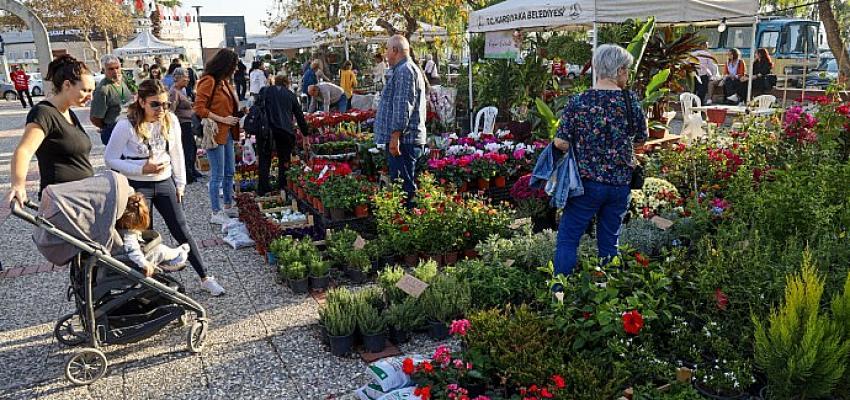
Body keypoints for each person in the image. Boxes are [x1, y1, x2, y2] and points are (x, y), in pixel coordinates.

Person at [105, 79, 225, 296]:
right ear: (141, 102)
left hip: (164, 181)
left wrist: (180, 183)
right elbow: (111, 158)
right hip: (138, 186)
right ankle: (149, 285)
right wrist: (142, 168)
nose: (161, 110)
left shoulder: (170, 120)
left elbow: (177, 152)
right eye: (155, 105)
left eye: (165, 104)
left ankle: (205, 277)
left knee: (181, 229)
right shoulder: (126, 125)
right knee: (140, 236)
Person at [552, 44, 647, 277]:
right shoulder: (629, 101)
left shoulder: (579, 101)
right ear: (620, 70)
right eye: (627, 70)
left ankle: (559, 294)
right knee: (609, 242)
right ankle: (608, 295)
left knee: (568, 239)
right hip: (619, 184)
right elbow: (641, 141)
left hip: (586, 185)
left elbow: (561, 142)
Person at [4, 55, 95, 207]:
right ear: (67, 85)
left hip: (80, 199)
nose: (90, 97)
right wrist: (18, 185)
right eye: (85, 90)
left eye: (92, 91)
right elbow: (24, 151)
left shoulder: (68, 112)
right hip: (61, 201)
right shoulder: (44, 113)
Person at [374, 35, 428, 205]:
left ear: (395, 51)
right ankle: (406, 222)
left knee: (404, 188)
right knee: (402, 185)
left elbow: (402, 106)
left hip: (405, 141)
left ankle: (409, 224)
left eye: (387, 50)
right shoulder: (403, 69)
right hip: (404, 140)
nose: (386, 54)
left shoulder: (405, 71)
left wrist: (395, 136)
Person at [193, 49, 242, 226]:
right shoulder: (209, 81)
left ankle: (228, 205)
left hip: (227, 131)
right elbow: (199, 108)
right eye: (234, 66)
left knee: (230, 172)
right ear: (226, 65)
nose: (236, 69)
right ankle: (216, 211)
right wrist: (223, 118)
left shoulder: (224, 82)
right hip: (214, 133)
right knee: (217, 174)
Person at [257, 75, 310, 196]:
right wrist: (305, 136)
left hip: (266, 130)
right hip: (285, 131)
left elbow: (257, 109)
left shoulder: (265, 91)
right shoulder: (290, 95)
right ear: (287, 83)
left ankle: (263, 189)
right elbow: (300, 117)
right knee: (284, 160)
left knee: (265, 160)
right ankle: (283, 187)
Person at [116, 192, 190, 277]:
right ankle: (177, 257)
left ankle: (167, 263)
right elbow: (133, 252)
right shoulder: (128, 235)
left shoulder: (119, 227)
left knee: (154, 246)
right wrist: (144, 264)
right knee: (161, 250)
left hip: (128, 256)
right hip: (133, 262)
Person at [169, 68, 203, 184]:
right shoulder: (174, 92)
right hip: (182, 124)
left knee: (192, 148)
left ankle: (192, 170)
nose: (187, 80)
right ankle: (188, 174)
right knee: (188, 149)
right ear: (177, 78)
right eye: (185, 77)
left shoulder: (182, 90)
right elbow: (171, 110)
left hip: (188, 122)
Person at [90, 54, 131, 145]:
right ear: (104, 70)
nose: (115, 71)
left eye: (117, 68)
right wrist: (107, 127)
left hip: (128, 127)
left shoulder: (122, 81)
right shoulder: (103, 89)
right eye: (111, 69)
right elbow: (95, 118)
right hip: (113, 130)